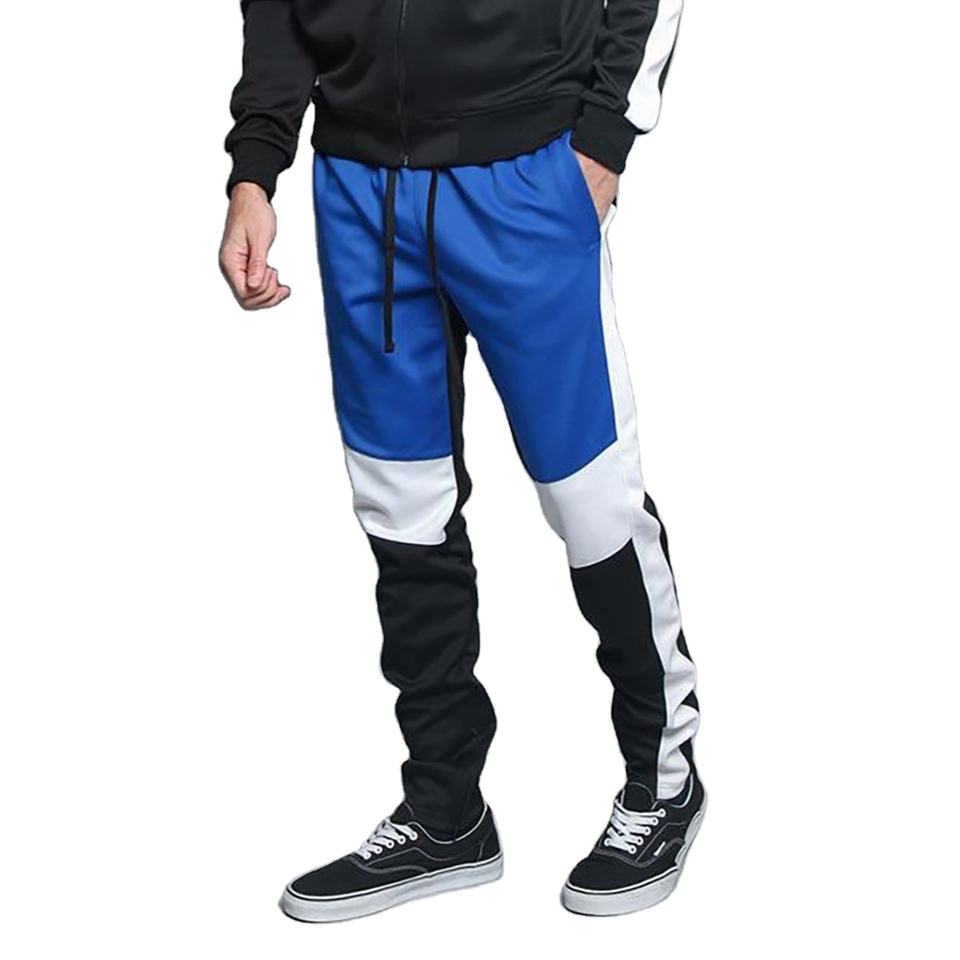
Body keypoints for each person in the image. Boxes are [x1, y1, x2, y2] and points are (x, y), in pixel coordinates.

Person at [220, 0, 702, 921]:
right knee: (400, 502)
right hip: (361, 189)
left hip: (527, 174)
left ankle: (662, 780)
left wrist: (606, 137)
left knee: (590, 497)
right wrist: (255, 169)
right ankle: (446, 813)